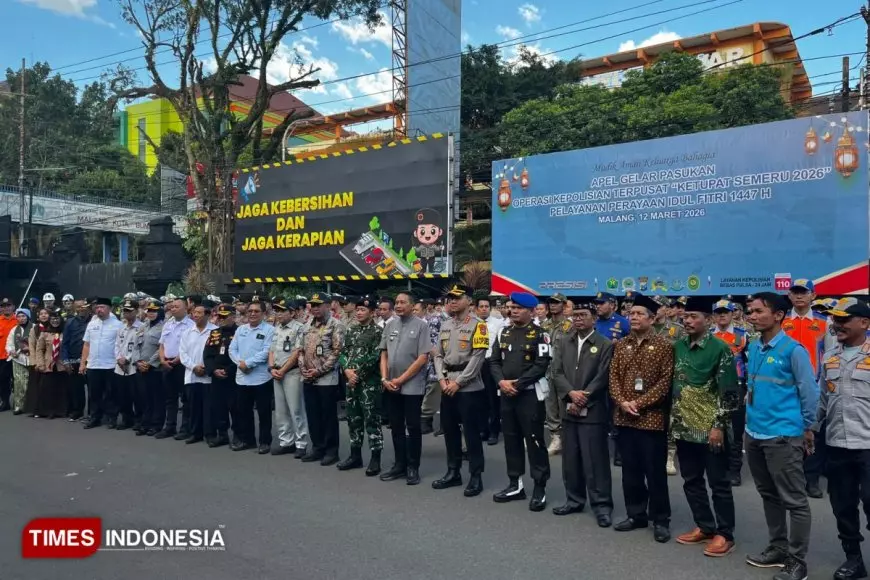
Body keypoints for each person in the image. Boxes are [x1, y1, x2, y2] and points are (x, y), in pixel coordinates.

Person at [744, 292, 819, 580]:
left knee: (794, 500)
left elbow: (809, 394)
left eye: (758, 311)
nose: (751, 315)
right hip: (754, 433)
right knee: (768, 494)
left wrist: (808, 428)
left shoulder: (793, 350)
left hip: (783, 436)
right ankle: (778, 547)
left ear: (778, 315)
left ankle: (797, 561)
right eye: (749, 311)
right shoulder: (753, 346)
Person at [671, 297, 739, 557]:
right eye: (685, 316)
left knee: (719, 483)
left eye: (694, 316)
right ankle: (704, 526)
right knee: (691, 480)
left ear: (708, 320)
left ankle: (725, 533)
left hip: (711, 430)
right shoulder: (678, 346)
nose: (687, 321)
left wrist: (719, 426)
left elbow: (730, 393)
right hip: (684, 428)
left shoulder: (720, 349)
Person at [610, 293, 674, 543]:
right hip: (625, 417)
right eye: (631, 314)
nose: (634, 317)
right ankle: (636, 514)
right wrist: (622, 402)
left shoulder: (663, 345)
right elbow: (612, 377)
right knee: (630, 471)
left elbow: (665, 382)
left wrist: (639, 402)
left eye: (639, 314)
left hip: (651, 418)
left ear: (652, 318)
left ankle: (661, 519)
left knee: (654, 471)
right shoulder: (621, 344)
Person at [817, 297, 870, 580]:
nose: (836, 325)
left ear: (864, 323)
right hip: (837, 444)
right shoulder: (830, 357)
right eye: (835, 319)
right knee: (843, 506)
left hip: (868, 445)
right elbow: (823, 399)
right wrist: (810, 429)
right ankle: (854, 560)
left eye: (843, 319)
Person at [551, 302, 615, 527]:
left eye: (583, 315)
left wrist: (583, 396)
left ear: (593, 319)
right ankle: (574, 499)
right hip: (569, 409)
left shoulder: (605, 344)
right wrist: (570, 394)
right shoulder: (564, 342)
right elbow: (556, 372)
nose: (578, 319)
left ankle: (602, 505)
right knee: (571, 459)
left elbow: (603, 375)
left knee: (595, 460)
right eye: (575, 315)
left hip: (593, 411)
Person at [490, 291, 551, 511]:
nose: (512, 311)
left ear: (532, 311)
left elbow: (541, 364)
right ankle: (515, 483)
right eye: (511, 307)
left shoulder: (540, 334)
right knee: (511, 439)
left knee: (534, 440)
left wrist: (518, 384)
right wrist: (502, 383)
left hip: (529, 395)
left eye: (518, 308)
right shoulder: (503, 333)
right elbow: (494, 361)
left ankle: (540, 486)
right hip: (507, 394)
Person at [432, 285, 488, 497]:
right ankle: (453, 471)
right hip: (447, 385)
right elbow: (437, 354)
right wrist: (442, 379)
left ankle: (476, 476)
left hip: (469, 387)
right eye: (450, 298)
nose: (452, 302)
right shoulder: (446, 324)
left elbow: (478, 357)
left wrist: (459, 382)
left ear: (469, 302)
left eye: (457, 298)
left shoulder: (478, 326)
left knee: (471, 434)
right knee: (450, 431)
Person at [378, 291, 432, 485]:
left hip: (411, 385)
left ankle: (412, 467)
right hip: (391, 384)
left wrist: (400, 379)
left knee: (413, 427)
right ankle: (399, 465)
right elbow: (383, 353)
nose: (399, 305)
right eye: (397, 302)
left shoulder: (421, 326)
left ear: (412, 305)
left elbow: (423, 358)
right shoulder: (390, 325)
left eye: (403, 302)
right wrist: (385, 378)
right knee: (396, 426)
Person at [783, 279, 828, 500]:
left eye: (804, 292)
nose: (799, 296)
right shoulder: (780, 321)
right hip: (784, 387)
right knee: (788, 433)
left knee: (813, 433)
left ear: (813, 296)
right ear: (789, 295)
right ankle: (791, 479)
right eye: (795, 292)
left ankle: (811, 480)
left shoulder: (824, 322)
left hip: (814, 385)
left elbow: (830, 355)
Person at [337, 295, 384, 475]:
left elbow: (375, 356)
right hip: (351, 382)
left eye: (363, 309)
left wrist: (358, 374)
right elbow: (343, 352)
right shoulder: (351, 330)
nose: (359, 312)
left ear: (372, 312)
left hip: (368, 384)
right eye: (357, 309)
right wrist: (347, 371)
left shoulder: (378, 332)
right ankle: (355, 456)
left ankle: (375, 458)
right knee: (353, 419)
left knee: (372, 420)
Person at [299, 293, 345, 465]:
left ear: (328, 305)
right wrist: (304, 368)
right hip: (308, 377)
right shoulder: (307, 325)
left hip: (327, 378)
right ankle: (317, 447)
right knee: (313, 415)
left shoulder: (336, 325)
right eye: (313, 305)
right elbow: (301, 350)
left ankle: (332, 451)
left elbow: (337, 351)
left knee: (328, 416)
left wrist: (319, 370)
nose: (315, 308)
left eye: (319, 305)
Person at [228, 298, 275, 454]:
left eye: (256, 311)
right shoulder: (241, 329)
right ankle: (248, 440)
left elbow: (267, 352)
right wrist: (240, 364)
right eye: (250, 311)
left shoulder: (269, 330)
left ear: (264, 313)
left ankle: (265, 441)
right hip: (242, 378)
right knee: (243, 412)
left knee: (264, 412)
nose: (252, 314)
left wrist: (248, 364)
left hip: (261, 378)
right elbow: (232, 350)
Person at [711, 299, 749, 486]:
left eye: (726, 312)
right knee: (714, 427)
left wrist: (747, 388)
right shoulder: (708, 335)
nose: (722, 315)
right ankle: (717, 466)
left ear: (733, 313)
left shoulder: (743, 336)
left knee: (735, 430)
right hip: (712, 387)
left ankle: (734, 470)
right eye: (718, 312)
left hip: (736, 387)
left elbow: (750, 364)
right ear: (713, 316)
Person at [269, 298, 308, 458]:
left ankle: (301, 443)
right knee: (281, 411)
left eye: (282, 310)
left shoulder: (299, 328)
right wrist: (272, 368)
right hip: (276, 372)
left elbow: (297, 351)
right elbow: (271, 350)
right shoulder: (276, 327)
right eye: (276, 310)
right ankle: (286, 441)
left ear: (292, 312)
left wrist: (283, 370)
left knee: (296, 409)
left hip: (291, 372)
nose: (278, 314)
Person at [79, 298, 123, 429]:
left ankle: (112, 417)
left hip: (110, 364)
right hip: (93, 364)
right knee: (94, 393)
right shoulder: (92, 324)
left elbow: (121, 345)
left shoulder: (118, 325)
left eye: (102, 307)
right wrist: (82, 363)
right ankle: (95, 417)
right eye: (97, 307)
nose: (99, 310)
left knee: (111, 393)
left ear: (109, 309)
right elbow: (86, 345)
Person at [179, 299, 217, 445]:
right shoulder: (187, 332)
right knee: (193, 406)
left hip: (208, 375)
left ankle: (210, 434)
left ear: (207, 315)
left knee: (209, 407)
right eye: (194, 312)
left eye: (199, 313)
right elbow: (183, 353)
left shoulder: (214, 332)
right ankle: (195, 433)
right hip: (192, 374)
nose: (195, 315)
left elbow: (216, 354)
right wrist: (194, 366)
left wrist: (207, 368)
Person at [155, 298, 194, 440]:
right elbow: (162, 345)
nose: (173, 309)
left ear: (186, 309)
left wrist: (178, 359)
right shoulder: (168, 324)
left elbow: (190, 347)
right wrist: (162, 359)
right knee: (169, 398)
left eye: (177, 307)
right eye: (172, 307)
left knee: (185, 398)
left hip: (181, 365)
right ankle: (169, 426)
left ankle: (185, 428)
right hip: (166, 364)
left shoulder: (191, 325)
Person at [202, 303, 238, 448]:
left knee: (236, 408)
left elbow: (241, 356)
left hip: (233, 376)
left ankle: (238, 435)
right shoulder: (215, 333)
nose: (221, 319)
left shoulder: (240, 332)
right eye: (219, 316)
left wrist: (229, 371)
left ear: (233, 317)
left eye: (225, 316)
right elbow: (207, 355)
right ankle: (222, 434)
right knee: (218, 407)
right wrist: (213, 370)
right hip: (217, 376)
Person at [542, 293, 571, 456]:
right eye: (550, 303)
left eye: (556, 303)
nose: (553, 305)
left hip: (564, 371)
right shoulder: (544, 325)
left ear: (563, 305)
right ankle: (555, 436)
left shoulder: (570, 326)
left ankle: (568, 437)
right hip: (547, 370)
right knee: (550, 404)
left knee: (564, 404)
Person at [477, 295, 506, 445]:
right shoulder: (472, 323)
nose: (483, 309)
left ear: (490, 308)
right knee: (479, 399)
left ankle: (494, 431)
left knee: (492, 399)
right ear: (476, 309)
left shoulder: (498, 323)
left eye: (486, 307)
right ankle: (482, 429)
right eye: (481, 306)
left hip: (490, 363)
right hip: (475, 364)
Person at [111, 299, 142, 430]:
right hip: (120, 366)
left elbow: (139, 347)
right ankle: (126, 419)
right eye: (124, 311)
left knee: (136, 395)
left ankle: (139, 420)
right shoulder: (121, 327)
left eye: (129, 311)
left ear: (136, 311)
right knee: (122, 395)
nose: (126, 313)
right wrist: (119, 358)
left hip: (133, 366)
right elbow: (117, 345)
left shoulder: (141, 327)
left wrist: (128, 359)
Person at [135, 300, 165, 436]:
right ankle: (145, 423)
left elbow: (162, 348)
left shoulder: (164, 327)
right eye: (149, 311)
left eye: (154, 311)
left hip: (154, 368)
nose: (151, 313)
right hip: (140, 366)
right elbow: (136, 345)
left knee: (156, 398)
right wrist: (138, 361)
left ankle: (156, 425)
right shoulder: (143, 326)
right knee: (144, 398)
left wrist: (149, 363)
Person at [31, 310, 67, 419]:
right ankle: (48, 411)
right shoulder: (45, 333)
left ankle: (61, 411)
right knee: (47, 389)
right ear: (50, 321)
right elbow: (39, 349)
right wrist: (40, 364)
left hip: (61, 365)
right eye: (52, 319)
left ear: (60, 320)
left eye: (57, 319)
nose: (55, 321)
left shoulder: (64, 333)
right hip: (48, 364)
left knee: (61, 389)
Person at [60, 299, 89, 422]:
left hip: (91, 360)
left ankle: (95, 413)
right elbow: (65, 343)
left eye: (83, 306)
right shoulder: (70, 322)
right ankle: (78, 411)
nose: (81, 308)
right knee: (76, 388)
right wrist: (65, 360)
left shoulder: (94, 321)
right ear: (74, 309)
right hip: (74, 359)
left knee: (95, 389)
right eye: (78, 307)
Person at [419, 297, 443, 436]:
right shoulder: (431, 321)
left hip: (439, 363)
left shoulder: (435, 320)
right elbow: (430, 344)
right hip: (432, 364)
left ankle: (425, 421)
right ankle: (425, 422)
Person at [6, 308, 32, 414]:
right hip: (18, 359)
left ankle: (30, 405)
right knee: (19, 383)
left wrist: (30, 348)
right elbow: (9, 343)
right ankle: (18, 405)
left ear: (28, 317)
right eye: (19, 316)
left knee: (31, 383)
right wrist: (11, 351)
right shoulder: (14, 330)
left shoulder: (34, 328)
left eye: (23, 316)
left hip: (32, 359)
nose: (21, 319)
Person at [0, 298, 17, 412]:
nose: (6, 308)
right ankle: (5, 402)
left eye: (8, 305)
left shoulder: (18, 320)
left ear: (13, 307)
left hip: (16, 356)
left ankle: (19, 403)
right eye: (3, 306)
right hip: (1, 356)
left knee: (17, 380)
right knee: (2, 380)